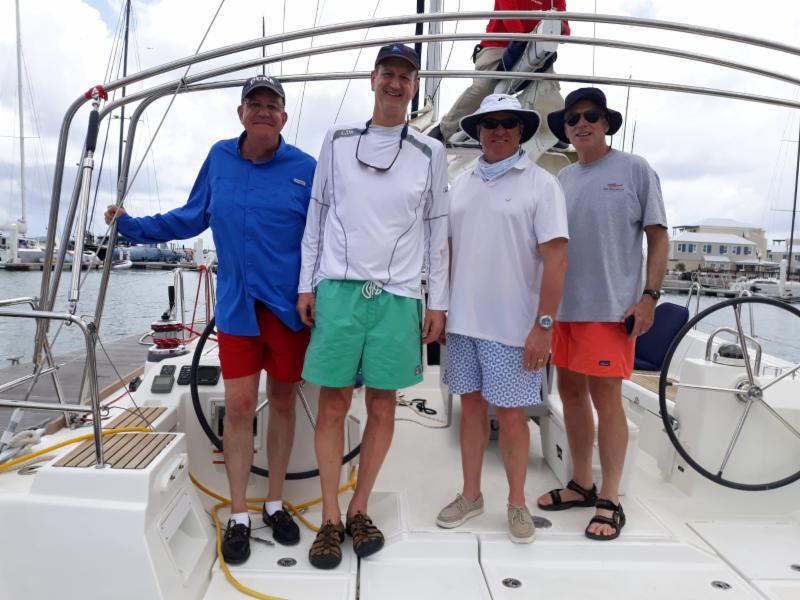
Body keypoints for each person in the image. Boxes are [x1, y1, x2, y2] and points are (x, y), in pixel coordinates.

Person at [104, 75, 316, 564]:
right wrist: (129, 224)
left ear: (284, 117)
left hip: (290, 311)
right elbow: (189, 216)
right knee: (241, 407)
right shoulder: (220, 158)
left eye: (273, 105)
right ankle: (240, 514)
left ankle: (276, 503)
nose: (264, 111)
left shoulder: (307, 168)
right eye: (255, 104)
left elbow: (325, 239)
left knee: (282, 404)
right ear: (240, 113)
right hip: (239, 308)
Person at [297, 44, 449, 569]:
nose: (396, 84)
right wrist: (305, 286)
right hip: (338, 290)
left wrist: (439, 302)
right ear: (373, 78)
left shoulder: (431, 152)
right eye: (388, 74)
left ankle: (360, 507)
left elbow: (437, 229)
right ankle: (331, 517)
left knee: (383, 406)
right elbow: (317, 216)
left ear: (414, 86)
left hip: (400, 296)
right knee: (334, 404)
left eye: (406, 77)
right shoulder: (337, 142)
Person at [535, 87, 668, 540]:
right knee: (569, 395)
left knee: (606, 400)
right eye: (572, 119)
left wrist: (649, 296)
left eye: (590, 116)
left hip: (610, 310)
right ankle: (582, 483)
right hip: (564, 310)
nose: (580, 124)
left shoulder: (635, 169)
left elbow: (658, 236)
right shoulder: (563, 180)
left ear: (606, 122)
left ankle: (611, 498)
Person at [435, 93, 568, 543]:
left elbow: (556, 260)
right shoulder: (463, 183)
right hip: (463, 324)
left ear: (521, 131)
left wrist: (543, 327)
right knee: (469, 409)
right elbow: (447, 252)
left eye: (509, 123)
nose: (498, 130)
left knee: (512, 417)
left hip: (513, 328)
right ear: (476, 131)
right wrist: (439, 307)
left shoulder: (540, 184)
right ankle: (471, 495)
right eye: (489, 123)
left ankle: (517, 502)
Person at [431, 0, 570, 142]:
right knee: (482, 88)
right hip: (496, 47)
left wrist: (556, 25)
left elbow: (565, 32)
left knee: (549, 83)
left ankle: (556, 130)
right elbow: (511, 18)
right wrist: (526, 39)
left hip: (533, 47)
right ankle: (444, 129)